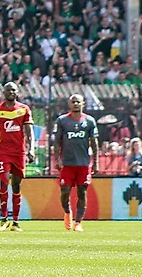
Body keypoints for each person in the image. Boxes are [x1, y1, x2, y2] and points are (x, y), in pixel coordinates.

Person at [0, 82, 35, 232]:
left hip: (19, 153)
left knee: (16, 186)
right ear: (4, 92)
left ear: (17, 92)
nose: (11, 92)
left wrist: (31, 149)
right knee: (3, 181)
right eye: (8, 90)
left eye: (13, 90)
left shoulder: (23, 109)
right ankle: (4, 219)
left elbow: (29, 132)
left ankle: (15, 222)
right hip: (4, 152)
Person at [53, 93, 99, 232]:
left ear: (83, 104)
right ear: (69, 104)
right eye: (73, 101)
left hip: (83, 164)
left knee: (82, 192)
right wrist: (57, 159)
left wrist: (95, 162)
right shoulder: (62, 121)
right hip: (67, 163)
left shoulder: (89, 121)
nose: (76, 104)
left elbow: (94, 143)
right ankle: (67, 213)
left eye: (78, 101)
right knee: (65, 192)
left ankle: (78, 223)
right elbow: (56, 142)